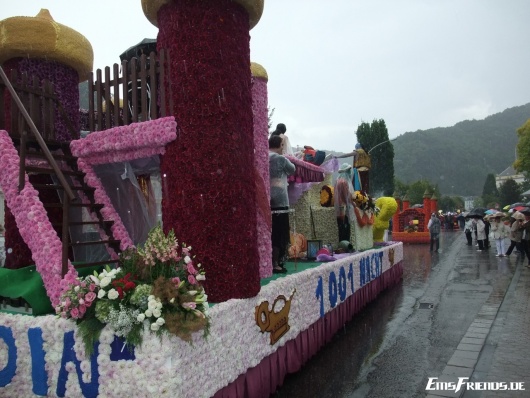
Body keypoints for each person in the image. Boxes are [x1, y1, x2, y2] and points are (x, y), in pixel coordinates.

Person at [269, 135, 296, 273]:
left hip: (267, 200)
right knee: (280, 234)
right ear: (280, 145)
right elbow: (292, 169)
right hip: (280, 201)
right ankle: (276, 263)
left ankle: (269, 262)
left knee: (271, 233)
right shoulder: (280, 159)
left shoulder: (263, 157)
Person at [334, 163, 356, 243]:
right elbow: (347, 196)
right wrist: (354, 203)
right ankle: (346, 245)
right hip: (344, 208)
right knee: (345, 227)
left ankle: (342, 244)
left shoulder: (337, 181)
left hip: (338, 209)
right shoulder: (344, 182)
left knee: (340, 228)